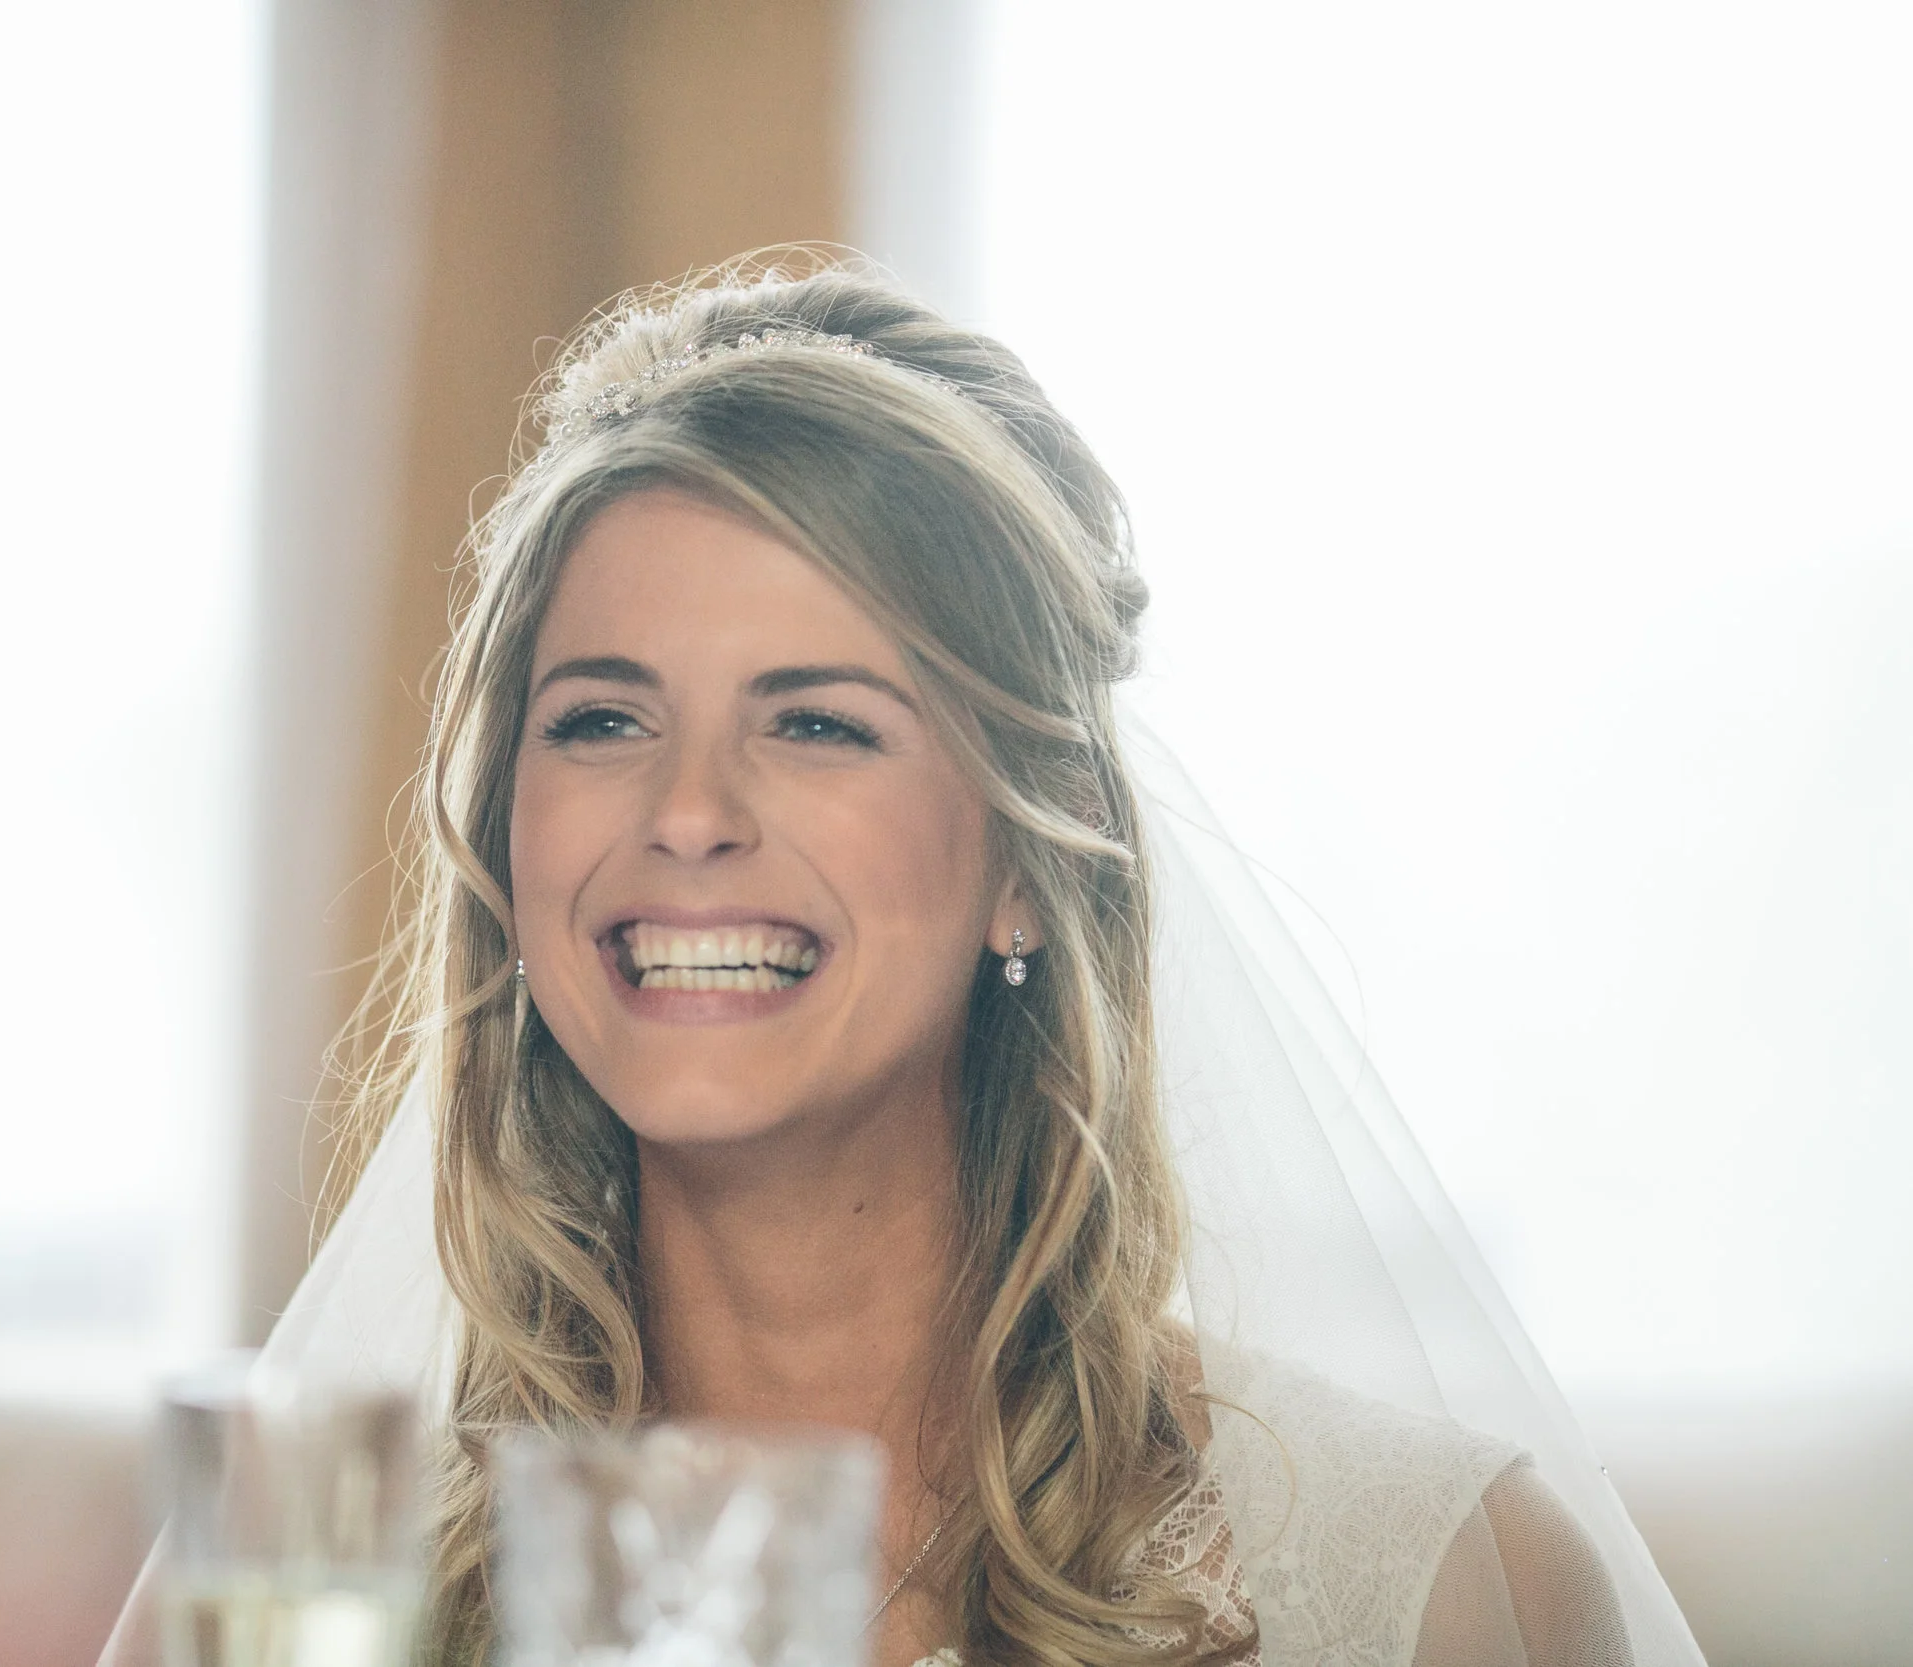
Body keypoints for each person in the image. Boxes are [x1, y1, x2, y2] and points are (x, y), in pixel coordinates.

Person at [103, 259, 1703, 1667]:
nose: (689, 813)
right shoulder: (310, 1556)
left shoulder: (1438, 1585)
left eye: (815, 722)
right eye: (601, 717)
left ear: (1031, 850)